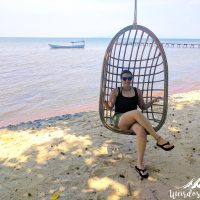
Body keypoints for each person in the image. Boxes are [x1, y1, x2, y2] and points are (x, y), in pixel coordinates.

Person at [103, 69, 174, 179]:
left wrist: (153, 101)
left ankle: (139, 165)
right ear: (121, 79)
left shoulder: (137, 91)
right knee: (136, 112)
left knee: (141, 131)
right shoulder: (116, 91)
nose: (127, 80)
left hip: (133, 121)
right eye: (124, 78)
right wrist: (102, 101)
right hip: (119, 119)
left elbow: (143, 107)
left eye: (129, 78)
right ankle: (158, 139)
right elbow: (109, 107)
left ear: (132, 79)